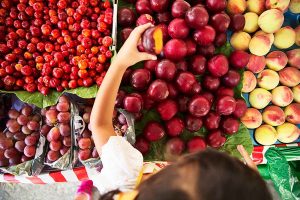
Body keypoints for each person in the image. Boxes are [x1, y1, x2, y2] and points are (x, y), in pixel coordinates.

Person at [76, 23, 272, 200]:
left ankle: (86, 192)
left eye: (184, 163)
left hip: (103, 189)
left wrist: (120, 63)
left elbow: (100, 124)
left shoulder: (125, 175)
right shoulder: (129, 178)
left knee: (90, 190)